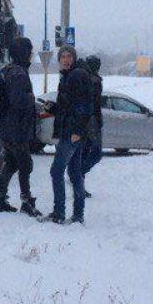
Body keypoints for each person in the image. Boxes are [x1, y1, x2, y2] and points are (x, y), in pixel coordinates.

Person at [0, 37, 40, 215]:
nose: (31, 55)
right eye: (30, 51)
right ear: (23, 53)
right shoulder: (19, 75)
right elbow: (18, 103)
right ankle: (26, 201)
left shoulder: (7, 70)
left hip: (6, 127)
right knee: (25, 164)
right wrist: (31, 101)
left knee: (12, 163)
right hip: (17, 129)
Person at [47, 45, 93, 225]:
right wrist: (52, 107)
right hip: (70, 131)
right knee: (74, 173)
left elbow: (84, 107)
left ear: (74, 58)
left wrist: (77, 131)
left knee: (56, 171)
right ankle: (78, 215)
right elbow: (68, 106)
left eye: (69, 56)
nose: (66, 59)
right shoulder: (67, 77)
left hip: (72, 133)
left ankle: (59, 213)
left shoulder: (77, 75)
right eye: (63, 57)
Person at [80, 55, 105, 193]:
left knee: (84, 152)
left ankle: (79, 182)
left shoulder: (87, 79)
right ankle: (77, 175)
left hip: (86, 121)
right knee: (96, 153)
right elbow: (94, 104)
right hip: (92, 121)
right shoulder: (94, 81)